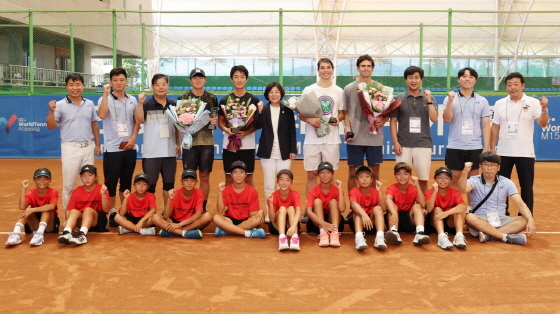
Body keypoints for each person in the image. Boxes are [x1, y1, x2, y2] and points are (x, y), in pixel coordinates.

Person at [490, 72, 549, 214]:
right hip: (503, 152)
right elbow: (495, 127)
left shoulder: (533, 102)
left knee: (526, 186)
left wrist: (544, 109)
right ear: (506, 87)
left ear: (523, 86)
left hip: (525, 152)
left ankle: (526, 215)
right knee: (501, 185)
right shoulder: (499, 104)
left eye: (516, 84)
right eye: (509, 85)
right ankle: (502, 213)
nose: (513, 87)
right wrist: (492, 149)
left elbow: (542, 123)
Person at [46, 73, 101, 210]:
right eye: (71, 84)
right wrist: (51, 112)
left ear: (83, 86)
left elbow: (94, 125)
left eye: (78, 84)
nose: (75, 88)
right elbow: (51, 126)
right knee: (69, 184)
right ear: (66, 87)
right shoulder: (59, 105)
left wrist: (98, 144)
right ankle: (69, 217)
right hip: (70, 148)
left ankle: (87, 214)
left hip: (88, 147)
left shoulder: (89, 104)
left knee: (89, 183)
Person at [458, 152, 536, 245]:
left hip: (501, 219)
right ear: (480, 166)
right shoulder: (474, 180)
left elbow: (520, 203)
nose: (489, 168)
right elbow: (463, 190)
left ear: (498, 168)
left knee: (524, 220)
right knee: (469, 217)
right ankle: (503, 236)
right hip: (480, 218)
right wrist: (465, 172)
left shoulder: (507, 182)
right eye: (486, 164)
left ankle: (489, 235)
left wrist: (530, 220)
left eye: (493, 165)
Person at [97, 67, 140, 227]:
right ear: (110, 82)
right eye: (115, 80)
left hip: (129, 147)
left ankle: (124, 211)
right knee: (111, 183)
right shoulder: (104, 98)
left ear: (126, 81)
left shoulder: (132, 100)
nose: (118, 83)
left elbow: (137, 121)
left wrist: (134, 137)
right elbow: (101, 115)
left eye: (121, 80)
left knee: (127, 181)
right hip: (113, 149)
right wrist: (106, 94)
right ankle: (112, 213)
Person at [442, 67, 491, 199]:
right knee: (454, 178)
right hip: (455, 146)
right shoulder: (450, 98)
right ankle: (452, 208)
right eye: (464, 76)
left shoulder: (482, 101)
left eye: (470, 77)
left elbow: (486, 126)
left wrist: (486, 148)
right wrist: (451, 101)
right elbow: (447, 119)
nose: (467, 79)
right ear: (459, 80)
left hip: (474, 147)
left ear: (475, 80)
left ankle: (471, 211)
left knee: (473, 180)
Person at [134, 74, 181, 211]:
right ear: (152, 87)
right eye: (157, 84)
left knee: (169, 185)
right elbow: (139, 120)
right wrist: (140, 103)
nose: (161, 87)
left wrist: (178, 143)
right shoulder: (147, 104)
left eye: (164, 84)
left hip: (169, 152)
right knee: (150, 186)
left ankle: (167, 213)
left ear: (168, 86)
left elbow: (177, 127)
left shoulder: (173, 105)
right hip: (152, 153)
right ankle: (150, 214)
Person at [300, 58, 345, 198]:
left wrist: (337, 119)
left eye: (328, 67)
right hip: (312, 139)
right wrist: (309, 119)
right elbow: (301, 114)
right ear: (318, 70)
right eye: (323, 68)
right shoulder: (309, 90)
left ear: (332, 69)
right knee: (312, 174)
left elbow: (342, 114)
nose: (326, 70)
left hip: (331, 139)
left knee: (328, 175)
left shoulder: (339, 91)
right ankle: (310, 208)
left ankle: (329, 206)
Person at [342, 55, 387, 191]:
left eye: (368, 66)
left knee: (374, 174)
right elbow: (346, 112)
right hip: (355, 138)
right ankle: (353, 207)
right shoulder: (349, 88)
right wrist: (348, 129)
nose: (366, 69)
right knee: (352, 174)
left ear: (372, 69)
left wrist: (381, 121)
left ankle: (373, 206)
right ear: (358, 68)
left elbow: (384, 112)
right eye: (363, 66)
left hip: (374, 138)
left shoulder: (379, 87)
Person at [254, 82, 297, 222]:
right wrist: (258, 111)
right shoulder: (264, 109)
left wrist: (292, 150)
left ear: (281, 94)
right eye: (271, 92)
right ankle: (270, 213)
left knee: (282, 184)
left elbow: (292, 131)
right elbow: (257, 125)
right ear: (267, 94)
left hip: (284, 153)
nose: (274, 94)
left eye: (277, 92)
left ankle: (282, 213)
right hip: (267, 152)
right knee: (268, 184)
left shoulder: (288, 110)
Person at [390, 66, 438, 193]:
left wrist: (428, 101)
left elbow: (434, 118)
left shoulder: (429, 98)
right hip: (403, 144)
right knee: (402, 179)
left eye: (416, 77)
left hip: (423, 144)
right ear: (406, 80)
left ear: (421, 79)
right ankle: (403, 207)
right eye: (410, 78)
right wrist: (396, 142)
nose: (413, 80)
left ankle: (423, 208)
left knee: (423, 180)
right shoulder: (398, 98)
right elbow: (393, 121)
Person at [178, 68, 218, 212]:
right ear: (190, 80)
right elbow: (179, 121)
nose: (198, 80)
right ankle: (189, 207)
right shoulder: (183, 98)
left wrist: (215, 122)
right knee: (189, 176)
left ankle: (202, 207)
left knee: (205, 176)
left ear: (205, 80)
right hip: (189, 143)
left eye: (201, 77)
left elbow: (214, 119)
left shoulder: (212, 98)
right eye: (195, 78)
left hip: (206, 141)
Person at [218, 65, 260, 187]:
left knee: (249, 177)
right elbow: (220, 121)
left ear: (246, 79)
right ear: (231, 79)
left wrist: (246, 132)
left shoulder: (253, 100)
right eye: (236, 77)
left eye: (242, 77)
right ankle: (229, 206)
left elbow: (257, 123)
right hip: (229, 143)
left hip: (247, 144)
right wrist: (226, 129)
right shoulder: (225, 100)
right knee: (229, 177)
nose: (239, 80)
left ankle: (250, 205)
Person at [57, 165, 111, 245]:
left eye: (90, 175)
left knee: (88, 210)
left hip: (97, 221)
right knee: (74, 211)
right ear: (81, 177)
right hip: (82, 221)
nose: (87, 178)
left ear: (95, 177)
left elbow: (106, 209)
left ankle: (82, 235)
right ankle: (67, 232)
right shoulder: (77, 191)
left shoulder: (101, 189)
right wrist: (73, 225)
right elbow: (68, 210)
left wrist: (103, 194)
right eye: (84, 176)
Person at [5, 168, 59, 247]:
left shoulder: (53, 192)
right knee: (26, 211)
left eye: (45, 179)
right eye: (39, 179)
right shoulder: (31, 193)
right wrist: (24, 189)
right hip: (35, 224)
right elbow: (22, 207)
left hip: (49, 225)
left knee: (47, 210)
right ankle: (16, 234)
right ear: (34, 180)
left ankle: (39, 234)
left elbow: (52, 206)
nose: (42, 182)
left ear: (50, 180)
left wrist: (32, 209)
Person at [152, 169, 213, 239]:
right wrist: (169, 199)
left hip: (190, 222)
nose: (189, 183)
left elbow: (198, 214)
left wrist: (179, 226)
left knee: (208, 216)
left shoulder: (199, 193)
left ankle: (174, 232)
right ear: (181, 181)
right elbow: (166, 216)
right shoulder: (176, 193)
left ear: (196, 182)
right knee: (155, 217)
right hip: (175, 222)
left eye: (192, 180)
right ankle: (185, 233)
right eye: (186, 180)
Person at [213, 161, 266, 238]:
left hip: (246, 220)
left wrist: (260, 212)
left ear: (245, 174)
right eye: (235, 172)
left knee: (257, 219)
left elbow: (253, 214)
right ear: (231, 175)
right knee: (216, 218)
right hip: (230, 220)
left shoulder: (252, 191)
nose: (238, 175)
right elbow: (220, 210)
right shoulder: (226, 190)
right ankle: (248, 233)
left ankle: (227, 231)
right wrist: (220, 192)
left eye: (241, 172)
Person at [385, 162, 430, 246]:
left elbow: (423, 204)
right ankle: (394, 231)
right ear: (395, 175)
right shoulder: (392, 188)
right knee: (392, 206)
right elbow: (388, 199)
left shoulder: (413, 189)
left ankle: (419, 233)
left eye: (405, 174)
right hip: (395, 219)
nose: (402, 177)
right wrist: (394, 213)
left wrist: (417, 186)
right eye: (399, 174)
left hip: (410, 219)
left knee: (417, 206)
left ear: (410, 175)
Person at [425, 167, 467, 250]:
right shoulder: (430, 192)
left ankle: (459, 236)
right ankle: (441, 237)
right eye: (440, 177)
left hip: (449, 223)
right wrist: (435, 191)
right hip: (435, 222)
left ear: (450, 181)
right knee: (437, 209)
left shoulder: (454, 192)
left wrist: (446, 213)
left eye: (446, 178)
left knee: (458, 210)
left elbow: (463, 206)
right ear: (435, 179)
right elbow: (429, 209)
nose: (443, 180)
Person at [305, 162, 345, 247]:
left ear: (332, 174)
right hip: (318, 222)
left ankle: (334, 234)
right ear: (318, 175)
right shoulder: (313, 191)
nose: (325, 175)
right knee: (317, 201)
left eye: (328, 172)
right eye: (322, 172)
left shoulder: (336, 190)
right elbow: (308, 212)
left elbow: (342, 209)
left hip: (334, 221)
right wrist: (323, 223)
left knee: (333, 201)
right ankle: (323, 233)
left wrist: (340, 189)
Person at [348, 165, 387, 251]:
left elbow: (384, 209)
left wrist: (379, 191)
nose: (364, 179)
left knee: (378, 209)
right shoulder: (354, 191)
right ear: (356, 180)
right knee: (358, 212)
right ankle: (359, 238)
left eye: (367, 176)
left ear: (372, 179)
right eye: (361, 177)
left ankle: (379, 237)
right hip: (358, 222)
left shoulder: (375, 191)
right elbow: (353, 204)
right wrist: (364, 215)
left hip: (372, 224)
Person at [266, 169, 301, 251]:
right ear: (277, 181)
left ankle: (294, 239)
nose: (284, 183)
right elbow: (272, 219)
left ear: (291, 182)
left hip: (292, 227)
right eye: (281, 179)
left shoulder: (295, 194)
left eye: (287, 180)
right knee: (282, 208)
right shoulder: (273, 195)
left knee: (291, 208)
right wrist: (270, 203)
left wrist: (292, 227)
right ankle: (282, 238)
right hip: (276, 227)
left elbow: (298, 211)